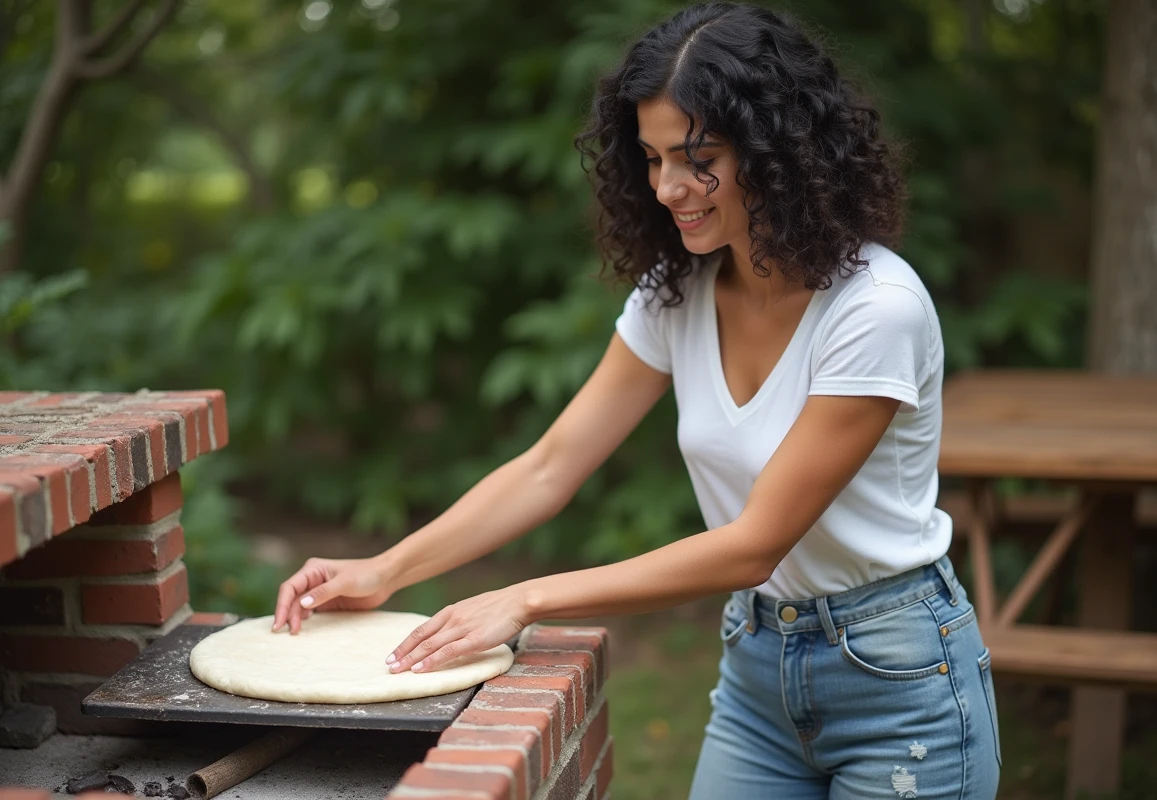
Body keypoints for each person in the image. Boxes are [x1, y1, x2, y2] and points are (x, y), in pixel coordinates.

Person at [272, 3, 1001, 798]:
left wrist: (525, 599)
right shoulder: (676, 294)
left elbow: (754, 542)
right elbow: (551, 466)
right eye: (652, 160)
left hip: (897, 679)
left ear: (779, 152)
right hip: (759, 665)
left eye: (697, 160)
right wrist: (386, 569)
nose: (668, 188)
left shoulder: (875, 308)